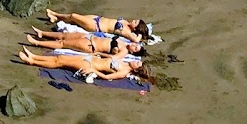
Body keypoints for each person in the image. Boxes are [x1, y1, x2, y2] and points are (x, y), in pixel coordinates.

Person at [13, 48, 154, 84]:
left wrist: (93, 70)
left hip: (89, 64)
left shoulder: (123, 72)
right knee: (60, 58)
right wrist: (99, 53)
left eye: (137, 63)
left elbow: (106, 76)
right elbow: (110, 58)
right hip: (90, 58)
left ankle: (32, 61)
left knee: (59, 62)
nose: (135, 61)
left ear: (136, 69)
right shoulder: (124, 63)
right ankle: (34, 57)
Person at [43, 12, 154, 43]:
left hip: (96, 26)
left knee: (74, 16)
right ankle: (56, 18)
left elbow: (135, 40)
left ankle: (55, 15)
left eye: (135, 22)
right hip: (97, 19)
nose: (133, 20)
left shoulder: (127, 31)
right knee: (75, 19)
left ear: (136, 28)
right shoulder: (126, 23)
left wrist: (140, 34)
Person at [24, 28, 143, 55]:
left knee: (63, 43)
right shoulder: (124, 42)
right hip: (90, 37)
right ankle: (42, 33)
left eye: (135, 48)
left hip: (91, 45)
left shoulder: (123, 52)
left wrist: (99, 53)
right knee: (64, 35)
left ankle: (37, 43)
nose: (134, 45)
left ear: (133, 53)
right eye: (136, 45)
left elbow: (112, 59)